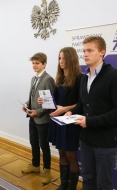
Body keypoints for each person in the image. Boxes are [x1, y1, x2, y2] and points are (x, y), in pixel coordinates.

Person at [66, 36, 117, 190]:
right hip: (86, 139)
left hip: (105, 141)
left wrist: (89, 121)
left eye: (89, 50)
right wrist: (71, 112)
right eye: (83, 50)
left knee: (103, 184)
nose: (85, 54)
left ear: (102, 52)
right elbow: (82, 103)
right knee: (87, 178)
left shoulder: (114, 76)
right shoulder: (84, 78)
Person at [39, 47, 82, 189]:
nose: (61, 61)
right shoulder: (60, 78)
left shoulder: (80, 79)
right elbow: (55, 102)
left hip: (71, 123)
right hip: (58, 121)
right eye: (59, 58)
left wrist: (65, 109)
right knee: (61, 154)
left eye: (63, 58)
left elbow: (82, 103)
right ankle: (63, 185)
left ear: (71, 59)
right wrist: (45, 102)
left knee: (71, 156)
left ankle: (72, 187)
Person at [21, 53, 55, 185]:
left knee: (44, 146)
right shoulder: (33, 79)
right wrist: (26, 105)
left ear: (44, 64)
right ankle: (35, 166)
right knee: (33, 142)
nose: (34, 65)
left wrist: (38, 112)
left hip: (42, 119)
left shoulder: (48, 79)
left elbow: (50, 103)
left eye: (37, 63)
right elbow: (33, 96)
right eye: (33, 63)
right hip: (32, 117)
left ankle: (47, 170)